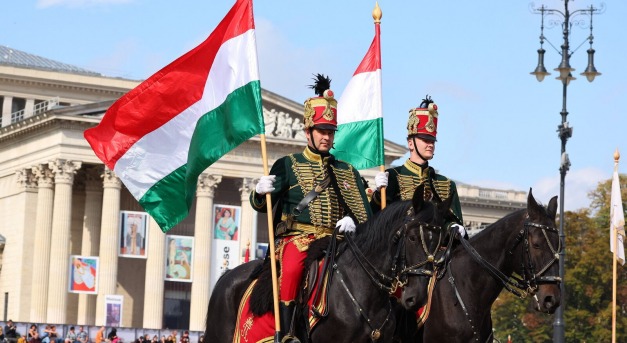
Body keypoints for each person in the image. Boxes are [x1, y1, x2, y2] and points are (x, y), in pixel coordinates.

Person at [250, 74, 374, 339]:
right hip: (298, 238)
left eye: (330, 132)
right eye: (322, 131)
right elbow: (263, 205)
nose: (327, 137)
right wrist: (259, 193)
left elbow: (367, 215)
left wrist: (354, 221)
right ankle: (286, 332)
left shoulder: (346, 170)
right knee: (294, 267)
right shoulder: (288, 164)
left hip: (337, 240)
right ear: (308, 132)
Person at [370, 95, 465, 237]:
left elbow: (450, 221)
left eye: (432, 141)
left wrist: (453, 226)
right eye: (425, 139)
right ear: (410, 143)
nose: (430, 144)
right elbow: (374, 218)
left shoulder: (446, 184)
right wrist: (378, 194)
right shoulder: (393, 176)